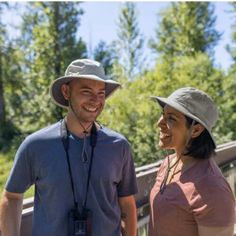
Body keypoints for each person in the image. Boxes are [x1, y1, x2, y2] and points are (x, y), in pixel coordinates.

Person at [0, 59, 138, 236]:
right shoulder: (35, 145)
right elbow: (11, 197)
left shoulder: (119, 146)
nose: (96, 100)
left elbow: (126, 203)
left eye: (101, 93)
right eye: (86, 91)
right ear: (66, 91)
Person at [148, 87, 235, 236]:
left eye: (171, 118)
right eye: (163, 115)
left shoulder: (212, 188)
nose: (159, 123)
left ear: (196, 130)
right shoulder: (168, 163)